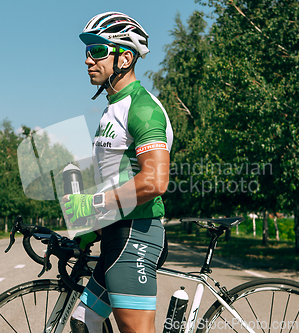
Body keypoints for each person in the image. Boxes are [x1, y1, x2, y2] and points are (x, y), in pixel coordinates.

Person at [62, 11, 173, 333]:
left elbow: (154, 181)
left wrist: (94, 206)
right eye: (86, 52)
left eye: (97, 51)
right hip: (116, 231)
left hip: (135, 234)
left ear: (125, 58)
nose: (88, 60)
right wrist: (90, 228)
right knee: (84, 321)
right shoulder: (113, 108)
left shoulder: (142, 107)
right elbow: (117, 178)